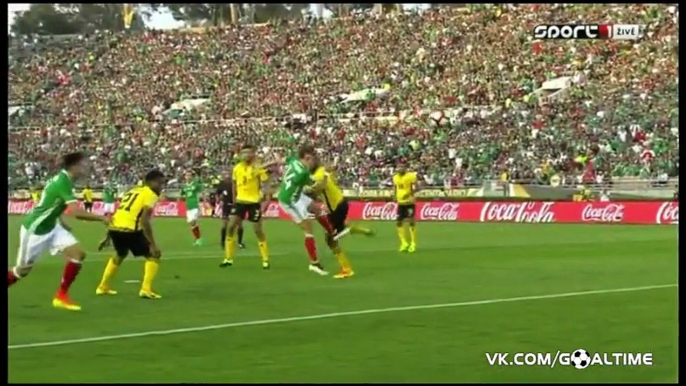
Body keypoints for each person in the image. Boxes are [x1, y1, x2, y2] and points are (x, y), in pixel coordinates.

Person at [9, 152, 110, 311]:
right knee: (21, 271)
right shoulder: (63, 182)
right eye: (83, 164)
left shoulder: (64, 180)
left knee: (78, 254)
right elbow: (76, 212)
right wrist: (102, 218)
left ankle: (61, 296)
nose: (85, 168)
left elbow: (54, 203)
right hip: (36, 230)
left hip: (53, 226)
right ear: (74, 166)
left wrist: (61, 221)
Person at [96, 170, 166, 299]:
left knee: (120, 254)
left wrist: (108, 235)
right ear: (150, 182)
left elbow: (121, 213)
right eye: (160, 183)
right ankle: (146, 289)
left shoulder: (133, 191)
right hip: (130, 229)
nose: (162, 187)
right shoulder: (150, 194)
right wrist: (152, 244)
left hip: (115, 227)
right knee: (154, 255)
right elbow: (145, 221)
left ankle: (102, 286)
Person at [310, 160, 374, 279]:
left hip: (336, 207)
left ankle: (346, 269)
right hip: (340, 203)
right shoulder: (323, 171)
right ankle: (357, 230)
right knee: (335, 233)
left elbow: (318, 187)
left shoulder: (317, 175)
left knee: (330, 239)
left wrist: (307, 190)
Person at [277, 145, 328, 275]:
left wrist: (266, 165)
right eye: (312, 159)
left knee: (315, 209)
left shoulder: (293, 160)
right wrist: (326, 176)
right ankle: (314, 263)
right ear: (307, 157)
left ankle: (332, 232)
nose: (313, 162)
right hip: (290, 201)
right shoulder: (303, 173)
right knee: (308, 228)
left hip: (296, 195)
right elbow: (316, 187)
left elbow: (280, 160)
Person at [221, 145, 271, 269]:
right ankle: (228, 259)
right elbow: (234, 184)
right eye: (244, 153)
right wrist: (234, 200)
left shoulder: (258, 167)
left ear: (253, 154)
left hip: (254, 202)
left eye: (248, 153)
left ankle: (265, 259)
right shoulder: (237, 168)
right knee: (231, 226)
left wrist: (267, 200)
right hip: (240, 201)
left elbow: (266, 183)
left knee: (257, 230)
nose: (246, 155)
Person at [393, 162, 419, 253]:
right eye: (398, 167)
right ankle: (404, 243)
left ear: (405, 168)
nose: (399, 169)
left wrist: (408, 194)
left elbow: (418, 187)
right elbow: (395, 187)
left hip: (409, 202)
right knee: (399, 222)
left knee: (411, 221)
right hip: (400, 202)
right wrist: (394, 195)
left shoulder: (411, 176)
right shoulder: (395, 177)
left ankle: (413, 243)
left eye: (401, 167)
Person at [216, 171, 245, 250]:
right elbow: (218, 193)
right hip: (226, 206)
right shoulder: (222, 184)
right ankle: (222, 242)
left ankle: (240, 242)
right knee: (224, 225)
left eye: (228, 175)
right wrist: (218, 199)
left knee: (239, 224)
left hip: (236, 205)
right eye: (225, 175)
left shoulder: (237, 183)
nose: (227, 176)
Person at [180, 171, 204, 246]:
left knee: (193, 221)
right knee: (192, 224)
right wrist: (182, 197)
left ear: (192, 177)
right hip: (188, 207)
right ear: (185, 177)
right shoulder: (184, 187)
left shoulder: (195, 184)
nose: (188, 177)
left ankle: (199, 239)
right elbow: (182, 194)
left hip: (195, 206)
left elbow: (201, 188)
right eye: (187, 175)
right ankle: (198, 239)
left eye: (190, 175)